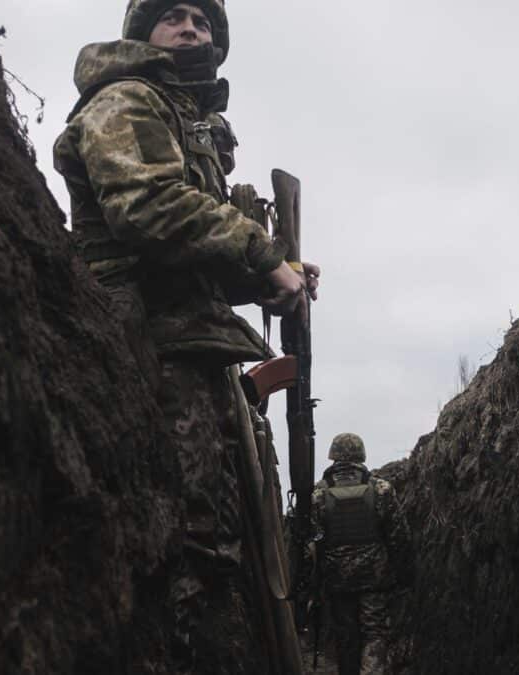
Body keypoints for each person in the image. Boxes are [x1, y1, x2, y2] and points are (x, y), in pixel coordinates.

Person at [53, 1, 319, 672]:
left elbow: (183, 264)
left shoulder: (183, 119)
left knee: (217, 547)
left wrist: (260, 280)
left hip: (188, 351)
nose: (192, 29)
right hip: (148, 353)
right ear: (143, 34)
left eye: (203, 21)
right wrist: (261, 253)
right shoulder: (127, 98)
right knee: (184, 551)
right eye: (174, 17)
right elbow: (145, 207)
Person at [311, 433, 413, 675]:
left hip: (338, 579)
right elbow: (399, 537)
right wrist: (405, 576)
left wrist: (315, 583)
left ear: (333, 456)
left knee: (345, 637)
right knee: (374, 634)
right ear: (361, 455)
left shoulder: (318, 494)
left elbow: (312, 544)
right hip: (374, 577)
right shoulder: (380, 489)